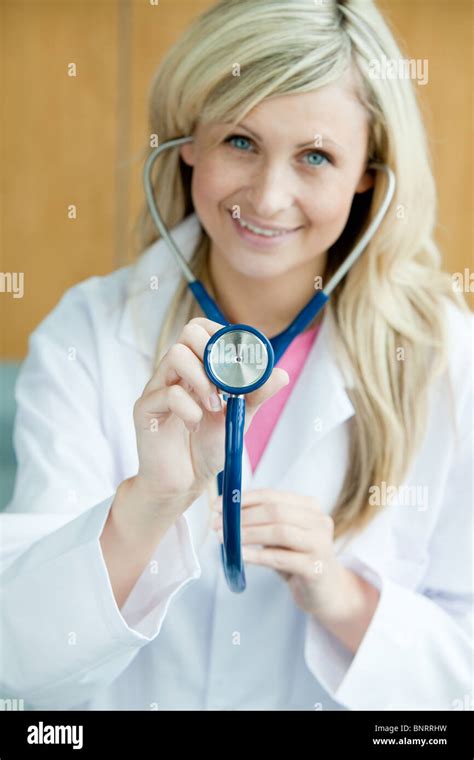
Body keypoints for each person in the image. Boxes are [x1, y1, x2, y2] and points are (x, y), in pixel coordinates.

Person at [1, 0, 472, 711]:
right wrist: (144, 509)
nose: (269, 196)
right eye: (241, 143)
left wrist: (341, 596)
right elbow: (20, 660)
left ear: (368, 175)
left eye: (316, 156)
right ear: (190, 140)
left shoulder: (444, 353)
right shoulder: (90, 335)